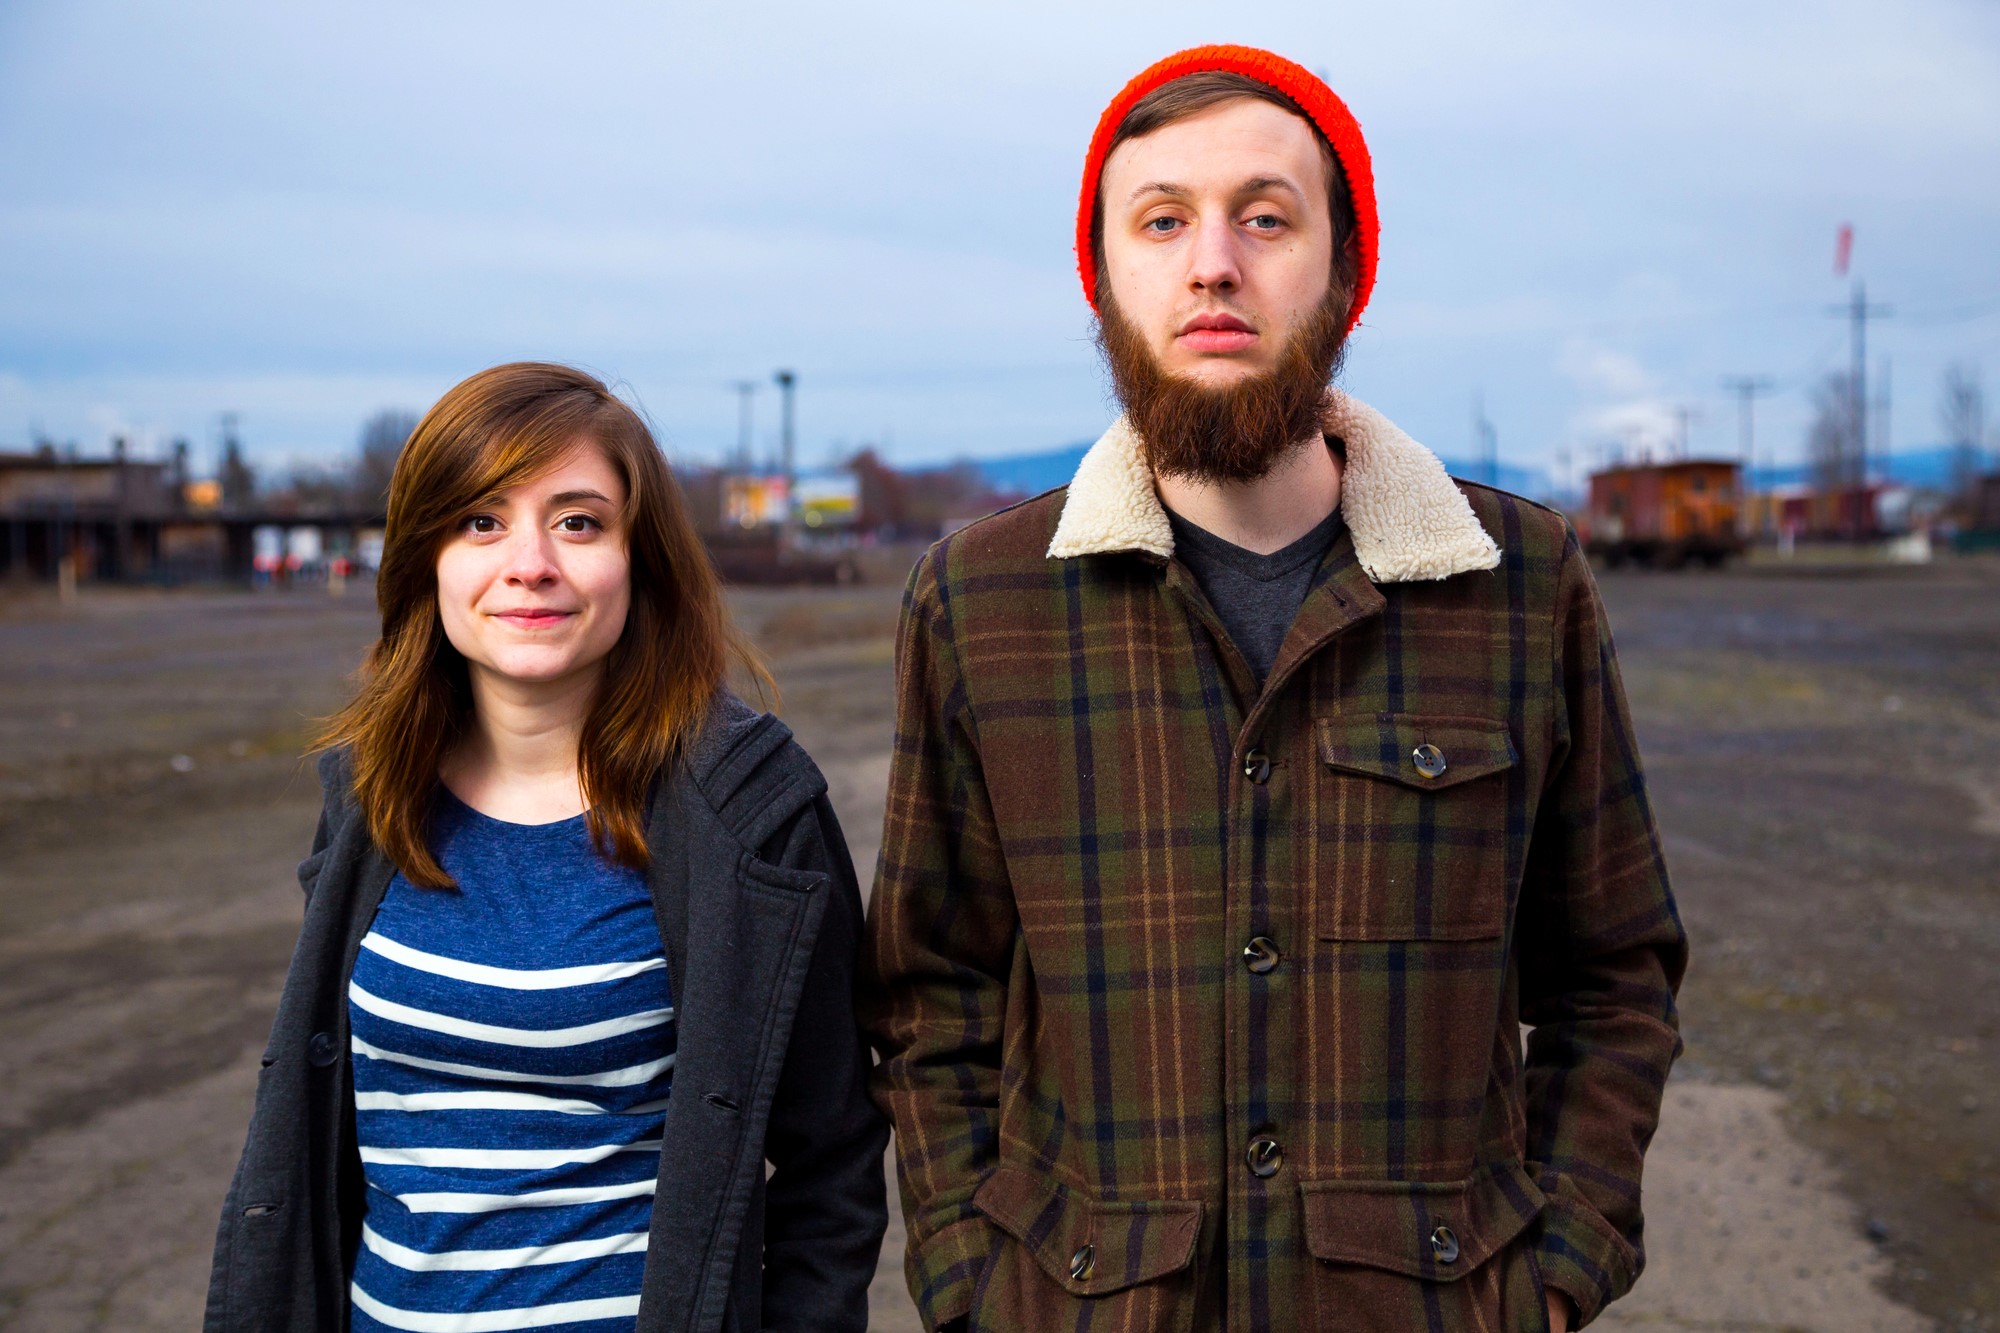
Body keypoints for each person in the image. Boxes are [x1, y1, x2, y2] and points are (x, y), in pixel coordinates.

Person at [863, 45, 1687, 1333]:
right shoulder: (979, 598)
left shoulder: (1519, 584)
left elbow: (1612, 972)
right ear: (1103, 279)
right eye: (1161, 221)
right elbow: (932, 996)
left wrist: (1555, 1266)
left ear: (1342, 273)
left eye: (1264, 217)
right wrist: (975, 1286)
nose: (1212, 264)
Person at [205, 362, 887, 1333]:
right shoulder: (369, 797)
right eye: (481, 520)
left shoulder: (746, 810)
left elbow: (833, 1160)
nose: (529, 562)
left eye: (577, 521)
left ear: (636, 559)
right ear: (426, 559)